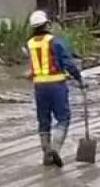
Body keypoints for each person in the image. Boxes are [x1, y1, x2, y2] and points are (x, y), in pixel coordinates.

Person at [25, 9, 83, 167]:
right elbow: (68, 63)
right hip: (56, 85)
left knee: (43, 121)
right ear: (47, 24)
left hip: (39, 87)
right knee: (63, 119)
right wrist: (78, 77)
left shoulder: (30, 44)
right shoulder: (54, 41)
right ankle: (55, 149)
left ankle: (46, 154)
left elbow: (37, 65)